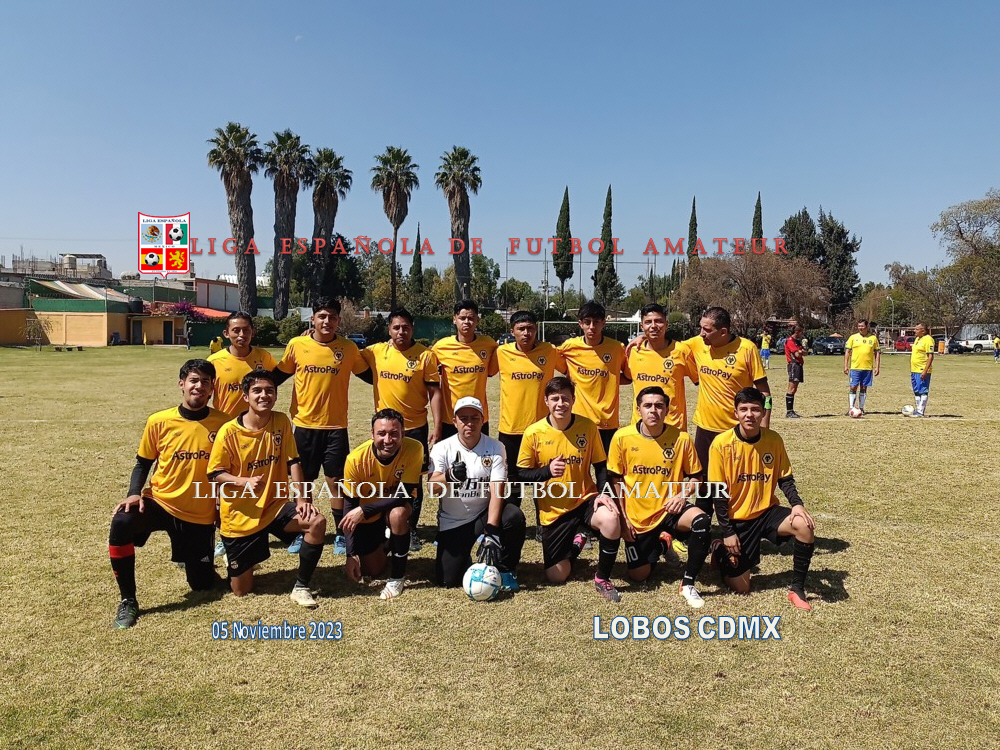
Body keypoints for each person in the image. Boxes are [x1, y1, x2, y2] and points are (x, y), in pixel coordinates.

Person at [107, 359, 230, 629]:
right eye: (193, 380)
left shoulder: (224, 424)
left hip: (199, 513)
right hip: (160, 502)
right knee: (122, 522)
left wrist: (224, 505)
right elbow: (143, 463)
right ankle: (128, 600)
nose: (199, 386)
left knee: (202, 585)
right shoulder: (159, 421)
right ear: (181, 384)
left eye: (205, 382)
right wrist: (133, 493)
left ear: (212, 389)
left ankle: (194, 561)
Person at [207, 370, 325, 608]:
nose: (264, 395)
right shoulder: (228, 432)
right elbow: (215, 473)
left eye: (269, 390)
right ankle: (239, 560)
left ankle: (301, 587)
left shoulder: (281, 421)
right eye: (257, 391)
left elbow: (293, 461)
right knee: (241, 591)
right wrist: (243, 482)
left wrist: (302, 500)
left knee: (316, 522)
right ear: (245, 397)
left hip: (274, 506)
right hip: (241, 515)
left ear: (276, 395)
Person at [273, 297, 370, 556]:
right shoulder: (297, 345)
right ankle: (303, 529)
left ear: (339, 321)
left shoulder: (348, 348)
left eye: (332, 317)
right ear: (313, 318)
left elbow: (370, 375)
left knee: (336, 481)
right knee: (303, 482)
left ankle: (340, 533)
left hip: (336, 427)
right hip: (304, 425)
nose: (327, 321)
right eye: (322, 316)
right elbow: (277, 376)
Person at [709, 387, 817, 611]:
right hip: (738, 520)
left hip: (767, 512)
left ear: (763, 412)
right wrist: (727, 532)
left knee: (804, 525)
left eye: (755, 409)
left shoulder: (773, 439)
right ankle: (719, 550)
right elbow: (718, 493)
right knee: (742, 587)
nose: (750, 414)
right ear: (736, 413)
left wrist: (797, 504)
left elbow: (785, 478)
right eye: (744, 409)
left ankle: (797, 589)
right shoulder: (721, 444)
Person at [517, 377, 624, 602]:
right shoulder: (533, 432)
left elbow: (600, 466)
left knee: (611, 518)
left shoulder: (588, 426)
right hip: (554, 511)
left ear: (573, 400)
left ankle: (602, 578)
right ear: (546, 401)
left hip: (584, 500)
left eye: (565, 398)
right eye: (555, 399)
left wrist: (604, 493)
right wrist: (546, 471)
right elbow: (521, 474)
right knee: (556, 576)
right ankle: (579, 539)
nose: (560, 404)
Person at [607, 387, 710, 608]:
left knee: (701, 521)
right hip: (638, 516)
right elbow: (616, 482)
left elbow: (697, 477)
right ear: (638, 409)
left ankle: (688, 584)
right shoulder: (622, 438)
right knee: (638, 575)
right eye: (648, 405)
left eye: (659, 406)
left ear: (667, 410)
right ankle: (664, 543)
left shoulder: (681, 438)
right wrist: (624, 519)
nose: (653, 410)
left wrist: (682, 495)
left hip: (671, 509)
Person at [359, 308, 444, 551]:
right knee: (382, 476)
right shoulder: (375, 352)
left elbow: (435, 393)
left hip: (414, 427)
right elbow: (349, 356)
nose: (401, 332)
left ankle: (410, 527)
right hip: (385, 429)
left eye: (405, 327)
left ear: (412, 329)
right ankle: (382, 521)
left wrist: (437, 427)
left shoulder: (425, 356)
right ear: (389, 329)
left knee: (413, 481)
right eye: (396, 327)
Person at [673, 306, 772, 513]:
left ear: (723, 332)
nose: (701, 333)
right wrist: (641, 339)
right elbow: (666, 343)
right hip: (705, 428)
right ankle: (702, 523)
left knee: (735, 481)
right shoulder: (697, 344)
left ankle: (739, 523)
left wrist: (764, 429)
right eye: (700, 327)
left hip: (736, 431)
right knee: (702, 481)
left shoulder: (747, 349)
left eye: (707, 330)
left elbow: (765, 393)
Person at [429, 396, 525, 591]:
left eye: (475, 418)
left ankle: (506, 569)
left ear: (483, 420)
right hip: (454, 521)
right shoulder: (441, 448)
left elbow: (497, 490)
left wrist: (492, 530)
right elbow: (432, 488)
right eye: (463, 418)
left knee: (513, 516)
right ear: (455, 421)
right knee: (447, 581)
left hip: (483, 514)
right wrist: (448, 476)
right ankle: (464, 556)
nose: (469, 423)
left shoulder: (496, 447)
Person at [340, 408, 423, 600]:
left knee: (397, 515)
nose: (388, 440)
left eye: (394, 433)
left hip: (390, 507)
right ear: (372, 434)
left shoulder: (414, 448)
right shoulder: (355, 459)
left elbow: (404, 494)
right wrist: (350, 554)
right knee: (372, 570)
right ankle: (390, 541)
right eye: (381, 433)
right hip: (368, 516)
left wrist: (365, 510)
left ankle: (397, 577)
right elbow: (349, 507)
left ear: (403, 434)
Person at [496, 310, 564, 539]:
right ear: (512, 331)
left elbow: (573, 360)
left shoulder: (549, 351)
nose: (526, 333)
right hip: (510, 429)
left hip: (541, 430)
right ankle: (512, 524)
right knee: (512, 480)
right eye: (521, 329)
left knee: (541, 479)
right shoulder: (501, 352)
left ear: (536, 329)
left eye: (530, 328)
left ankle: (543, 524)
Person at [557, 300, 631, 455]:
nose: (591, 327)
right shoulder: (569, 346)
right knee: (577, 463)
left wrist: (608, 381)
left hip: (606, 420)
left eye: (596, 322)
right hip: (578, 419)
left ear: (603, 323)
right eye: (587, 322)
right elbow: (551, 358)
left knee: (606, 466)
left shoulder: (616, 348)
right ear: (580, 324)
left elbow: (627, 377)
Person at [432, 300, 499, 439]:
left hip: (478, 416)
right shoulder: (441, 347)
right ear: (454, 319)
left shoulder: (489, 344)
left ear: (477, 321)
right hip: (450, 418)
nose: (467, 322)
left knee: (479, 453)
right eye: (462, 318)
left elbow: (494, 369)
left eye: (471, 318)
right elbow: (422, 362)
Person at [626, 303, 691, 431]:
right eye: (648, 322)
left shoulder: (682, 351)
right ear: (642, 326)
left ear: (667, 324)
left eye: (659, 321)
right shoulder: (633, 351)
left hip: (673, 426)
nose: (653, 326)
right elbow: (627, 377)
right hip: (641, 425)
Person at [208, 311, 278, 419]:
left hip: (257, 422)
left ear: (253, 332)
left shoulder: (264, 357)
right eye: (236, 331)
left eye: (246, 330)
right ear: (226, 333)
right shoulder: (214, 361)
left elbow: (276, 380)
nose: (242, 335)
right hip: (225, 423)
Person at [844, 320, 880, 414]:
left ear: (867, 327)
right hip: (855, 367)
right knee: (853, 387)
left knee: (864, 388)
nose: (860, 328)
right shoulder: (853, 337)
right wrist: (846, 365)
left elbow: (877, 353)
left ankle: (861, 408)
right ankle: (851, 408)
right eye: (859, 326)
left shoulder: (873, 338)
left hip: (867, 368)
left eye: (862, 326)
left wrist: (877, 367)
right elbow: (847, 352)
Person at [908, 322, 935, 417]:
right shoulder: (917, 339)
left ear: (923, 331)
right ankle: (918, 409)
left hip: (922, 369)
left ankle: (920, 411)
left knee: (923, 390)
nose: (914, 331)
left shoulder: (928, 340)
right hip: (914, 370)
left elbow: (930, 356)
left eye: (916, 329)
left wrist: (925, 371)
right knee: (916, 390)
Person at [783, 325, 806, 418]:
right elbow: (797, 354)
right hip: (794, 365)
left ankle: (791, 410)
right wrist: (801, 352)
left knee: (795, 388)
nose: (802, 334)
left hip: (799, 365)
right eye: (801, 332)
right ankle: (789, 411)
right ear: (797, 332)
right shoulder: (790, 341)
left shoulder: (797, 341)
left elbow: (805, 353)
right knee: (791, 388)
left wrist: (802, 351)